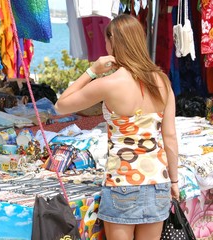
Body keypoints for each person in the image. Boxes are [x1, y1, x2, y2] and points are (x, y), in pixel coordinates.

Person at [55, 14, 179, 240]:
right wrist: (175, 181)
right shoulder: (162, 81)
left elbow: (60, 106)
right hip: (158, 181)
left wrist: (92, 71)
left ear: (113, 42)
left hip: (122, 182)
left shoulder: (109, 84)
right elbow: (169, 137)